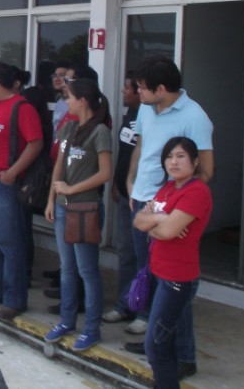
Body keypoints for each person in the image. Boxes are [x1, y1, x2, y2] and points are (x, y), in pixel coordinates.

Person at [124, 55, 213, 380]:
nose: (138, 94)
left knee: (175, 283)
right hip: (143, 199)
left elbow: (205, 171)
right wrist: (132, 181)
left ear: (161, 89)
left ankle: (184, 355)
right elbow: (143, 147)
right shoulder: (147, 110)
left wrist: (175, 207)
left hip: (170, 207)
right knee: (151, 271)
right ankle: (157, 337)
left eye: (143, 89)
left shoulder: (194, 117)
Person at [133, 137, 212, 389]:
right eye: (169, 157)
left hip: (177, 279)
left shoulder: (197, 191)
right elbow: (138, 222)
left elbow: (164, 232)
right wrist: (163, 219)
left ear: (195, 161)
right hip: (159, 272)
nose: (173, 162)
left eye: (180, 156)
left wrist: (155, 224)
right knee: (165, 341)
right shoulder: (167, 189)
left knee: (155, 346)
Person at [42, 78, 112, 353]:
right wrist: (51, 199)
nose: (66, 102)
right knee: (67, 268)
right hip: (62, 206)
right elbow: (58, 165)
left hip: (85, 208)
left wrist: (73, 188)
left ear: (82, 100)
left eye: (69, 97)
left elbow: (104, 173)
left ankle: (92, 328)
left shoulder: (100, 132)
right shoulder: (69, 127)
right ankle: (67, 321)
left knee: (87, 270)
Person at [0, 62, 43, 320]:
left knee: (9, 242)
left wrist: (13, 172)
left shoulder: (21, 107)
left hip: (7, 184)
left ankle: (15, 298)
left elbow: (35, 143)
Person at [102, 76, 141, 323]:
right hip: (125, 193)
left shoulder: (150, 116)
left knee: (142, 255)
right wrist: (117, 181)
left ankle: (141, 306)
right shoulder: (131, 114)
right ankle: (124, 303)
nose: (122, 91)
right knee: (126, 252)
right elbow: (125, 153)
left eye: (127, 88)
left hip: (142, 197)